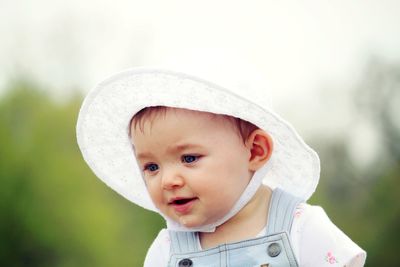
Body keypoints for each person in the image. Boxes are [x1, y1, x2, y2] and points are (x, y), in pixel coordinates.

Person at [76, 68, 366, 266]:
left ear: (254, 151)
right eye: (151, 167)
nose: (167, 180)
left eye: (189, 158)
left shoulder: (300, 226)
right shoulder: (168, 251)